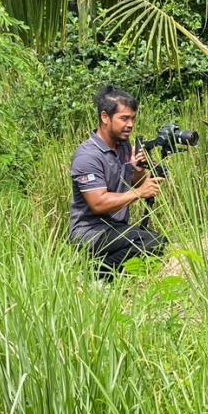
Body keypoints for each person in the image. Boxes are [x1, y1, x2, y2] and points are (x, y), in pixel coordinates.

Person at [70, 87, 165, 276]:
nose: (130, 124)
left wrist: (138, 170)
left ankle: (112, 273)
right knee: (151, 244)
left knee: (159, 244)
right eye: (124, 118)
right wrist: (140, 193)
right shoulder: (88, 156)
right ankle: (94, 274)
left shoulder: (123, 146)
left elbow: (132, 184)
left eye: (133, 119)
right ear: (105, 117)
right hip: (90, 232)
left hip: (116, 228)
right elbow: (98, 203)